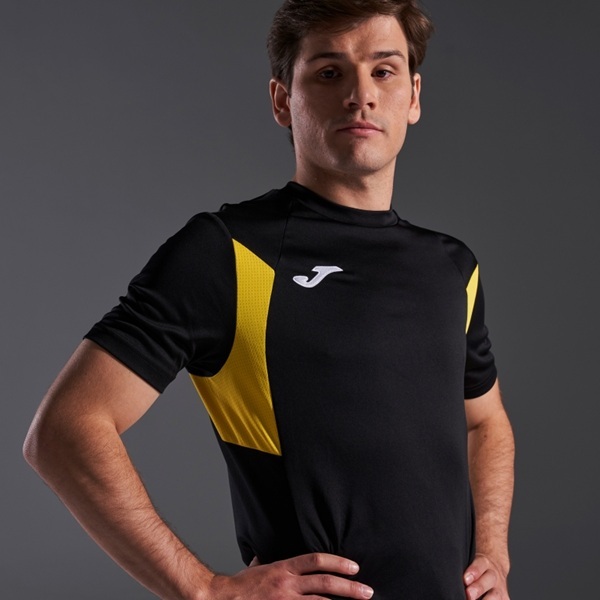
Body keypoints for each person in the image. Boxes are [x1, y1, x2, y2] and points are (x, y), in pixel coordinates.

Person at [24, 1, 514, 599]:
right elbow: (64, 430)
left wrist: (492, 551)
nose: (361, 95)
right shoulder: (229, 252)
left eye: (383, 71)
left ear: (413, 96)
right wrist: (205, 589)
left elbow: (485, 420)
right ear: (283, 100)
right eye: (329, 72)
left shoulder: (451, 267)